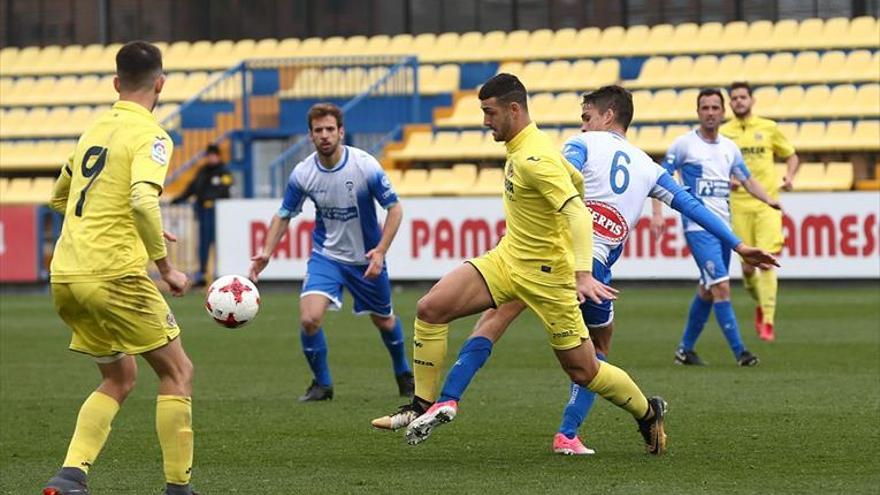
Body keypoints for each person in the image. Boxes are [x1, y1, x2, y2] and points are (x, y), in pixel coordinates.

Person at [401, 85, 779, 453]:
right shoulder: (648, 167)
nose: (582, 125)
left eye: (587, 117)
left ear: (607, 115)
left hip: (557, 261)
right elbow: (691, 205)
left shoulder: (579, 144)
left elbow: (563, 187)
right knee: (594, 356)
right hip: (593, 273)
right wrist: (739, 245)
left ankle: (446, 399)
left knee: (493, 318)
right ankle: (571, 432)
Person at [372, 74, 668, 455]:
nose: (484, 121)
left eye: (489, 112)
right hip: (508, 260)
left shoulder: (534, 157)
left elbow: (577, 213)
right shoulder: (523, 147)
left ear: (514, 109)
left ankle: (648, 412)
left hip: (549, 279)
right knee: (430, 308)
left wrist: (581, 273)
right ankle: (422, 405)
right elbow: (574, 182)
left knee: (584, 370)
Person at [43, 41, 197, 495]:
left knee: (118, 376)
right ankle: (179, 488)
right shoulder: (152, 135)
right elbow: (142, 200)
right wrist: (166, 269)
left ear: (115, 83)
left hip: (67, 276)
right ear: (160, 84)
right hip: (115, 275)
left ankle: (70, 475)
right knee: (177, 371)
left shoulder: (93, 130)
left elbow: (59, 197)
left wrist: (123, 223)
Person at [249, 103, 413, 402]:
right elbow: (284, 213)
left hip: (366, 258)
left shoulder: (364, 166)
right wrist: (266, 252)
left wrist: (380, 251)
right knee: (309, 319)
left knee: (384, 320)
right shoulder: (303, 173)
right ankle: (322, 385)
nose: (324, 136)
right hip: (326, 257)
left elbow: (395, 208)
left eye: (329, 130)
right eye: (318, 130)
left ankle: (403, 372)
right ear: (310, 135)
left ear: (341, 132)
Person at [660, 88, 781, 367]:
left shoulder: (729, 147)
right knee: (722, 288)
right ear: (698, 112)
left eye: (715, 107)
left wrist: (768, 200)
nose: (711, 112)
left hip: (723, 227)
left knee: (707, 288)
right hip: (698, 227)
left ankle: (684, 350)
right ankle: (741, 352)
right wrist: (658, 212)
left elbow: (747, 179)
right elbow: (662, 176)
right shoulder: (684, 145)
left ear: (722, 112)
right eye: (705, 108)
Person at [720, 81, 800, 342]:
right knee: (747, 269)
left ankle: (767, 319)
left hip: (767, 204)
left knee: (767, 262)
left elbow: (791, 156)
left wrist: (789, 176)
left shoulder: (768, 128)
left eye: (743, 97)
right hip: (737, 204)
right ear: (730, 103)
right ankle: (759, 302)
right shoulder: (723, 133)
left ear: (752, 100)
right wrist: (725, 178)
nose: (739, 101)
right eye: (734, 98)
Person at [171, 143, 234, 286]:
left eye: (213, 155)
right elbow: (192, 187)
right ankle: (203, 275)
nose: (211, 158)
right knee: (203, 245)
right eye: (209, 155)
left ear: (218, 156)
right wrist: (179, 198)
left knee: (220, 244)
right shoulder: (203, 171)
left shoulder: (224, 172)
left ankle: (223, 275)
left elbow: (224, 189)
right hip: (203, 212)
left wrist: (208, 197)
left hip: (218, 213)